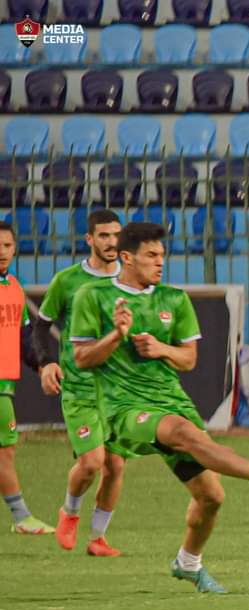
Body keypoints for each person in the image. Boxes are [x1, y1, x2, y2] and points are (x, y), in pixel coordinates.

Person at [69, 222, 249, 593]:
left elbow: (189, 359)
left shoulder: (174, 300)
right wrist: (116, 335)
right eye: (151, 255)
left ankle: (188, 563)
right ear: (127, 257)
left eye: (162, 255)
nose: (160, 262)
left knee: (211, 497)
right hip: (124, 408)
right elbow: (81, 358)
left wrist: (161, 349)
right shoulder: (92, 296)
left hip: (172, 400)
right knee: (181, 432)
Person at [35, 209, 127, 556]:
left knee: (115, 465)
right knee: (91, 462)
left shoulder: (130, 279)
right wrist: (46, 363)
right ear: (89, 239)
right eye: (103, 235)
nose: (111, 242)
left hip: (118, 390)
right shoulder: (67, 281)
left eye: (116, 235)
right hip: (80, 387)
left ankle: (98, 539)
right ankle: (69, 511)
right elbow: (41, 327)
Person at [0, 221, 54, 535]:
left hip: (6, 383)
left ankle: (22, 517)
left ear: (15, 249)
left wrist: (42, 365)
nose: (2, 251)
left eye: (7, 245)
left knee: (6, 450)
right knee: (5, 449)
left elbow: (24, 337)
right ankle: (22, 517)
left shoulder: (14, 287)